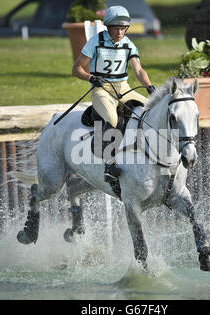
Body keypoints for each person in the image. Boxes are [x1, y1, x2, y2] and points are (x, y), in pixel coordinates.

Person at [72, 5, 156, 183]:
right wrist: (91, 77)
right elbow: (76, 68)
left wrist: (149, 87)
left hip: (123, 88)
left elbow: (138, 70)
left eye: (123, 28)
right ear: (107, 26)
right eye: (116, 28)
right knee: (112, 118)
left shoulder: (128, 44)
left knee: (150, 110)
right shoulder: (95, 42)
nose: (120, 32)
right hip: (102, 90)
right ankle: (109, 165)